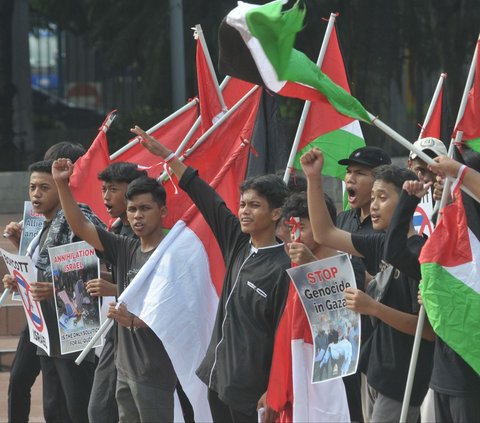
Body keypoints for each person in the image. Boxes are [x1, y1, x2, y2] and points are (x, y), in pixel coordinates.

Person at [132, 125, 290, 423]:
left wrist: (273, 389)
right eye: (242, 204)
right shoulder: (237, 243)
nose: (244, 211)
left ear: (276, 213)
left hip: (252, 392)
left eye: (255, 206)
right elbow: (207, 197)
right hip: (216, 379)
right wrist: (167, 155)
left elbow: (283, 337)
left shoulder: (284, 267)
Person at [301, 148, 435, 423]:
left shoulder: (421, 255)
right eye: (372, 197)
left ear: (406, 201)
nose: (373, 206)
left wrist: (373, 307)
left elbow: (429, 331)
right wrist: (313, 178)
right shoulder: (379, 244)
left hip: (402, 380)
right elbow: (324, 233)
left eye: (382, 198)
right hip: (373, 372)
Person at [52, 160, 177, 423]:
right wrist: (62, 184)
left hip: (153, 367)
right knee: (98, 411)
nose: (137, 215)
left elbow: (176, 306)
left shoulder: (173, 253)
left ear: (163, 210)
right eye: (132, 209)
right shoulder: (124, 247)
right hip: (123, 362)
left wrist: (131, 314)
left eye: (145, 208)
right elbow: (81, 228)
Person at [2, 142, 86, 423]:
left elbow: (94, 272)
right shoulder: (38, 223)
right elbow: (37, 267)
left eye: (46, 186)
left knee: (75, 402)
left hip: (70, 321)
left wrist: (55, 289)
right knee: (40, 394)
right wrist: (19, 279)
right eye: (33, 187)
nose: (37, 194)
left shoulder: (81, 220)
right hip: (41, 320)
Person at [86, 162, 147, 423]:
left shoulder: (148, 234)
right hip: (118, 328)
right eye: (103, 189)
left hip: (143, 331)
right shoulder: (115, 229)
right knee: (100, 408)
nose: (106, 197)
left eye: (113, 189)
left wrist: (113, 288)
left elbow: (149, 283)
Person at [423, 147, 480, 422]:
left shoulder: (473, 236)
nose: (438, 186)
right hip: (443, 374)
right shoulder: (444, 229)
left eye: (446, 181)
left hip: (470, 378)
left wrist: (458, 173)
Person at [336, 145, 391, 422]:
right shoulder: (342, 219)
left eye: (360, 173)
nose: (350, 179)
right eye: (348, 172)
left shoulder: (386, 229)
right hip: (338, 337)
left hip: (372, 344)